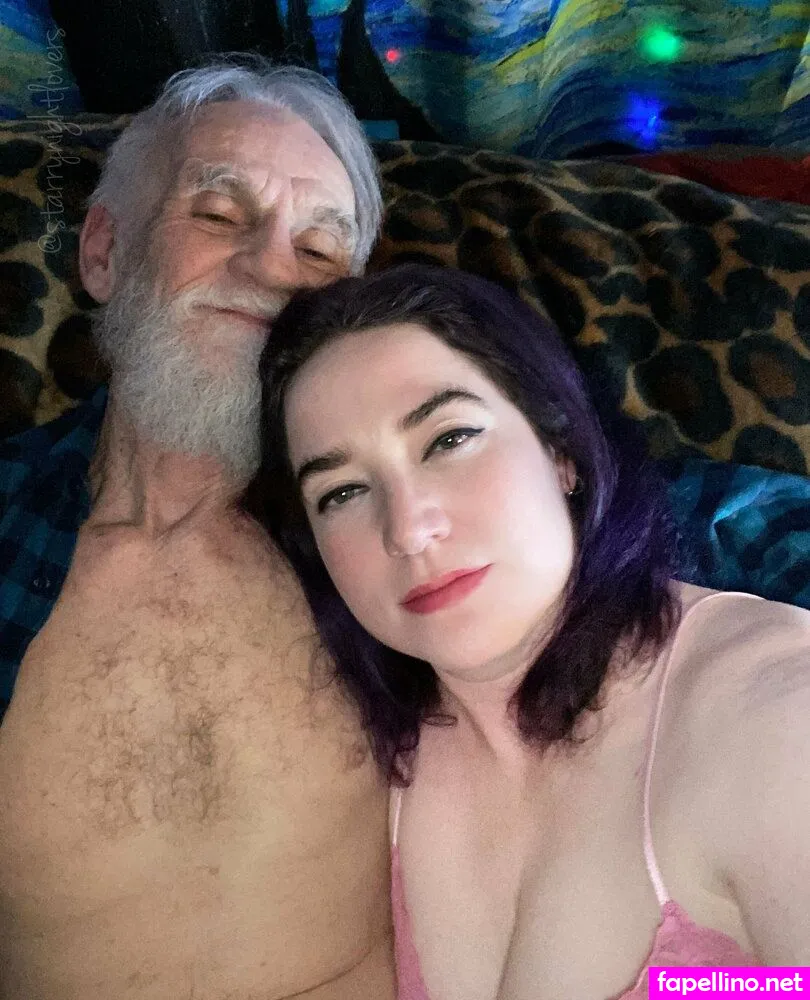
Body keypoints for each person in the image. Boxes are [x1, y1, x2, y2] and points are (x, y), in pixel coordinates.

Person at [248, 264, 810, 999]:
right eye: (343, 491)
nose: (408, 529)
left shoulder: (775, 716)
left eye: (449, 438)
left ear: (560, 450)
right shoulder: (348, 770)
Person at [0, 61, 397, 999]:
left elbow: (655, 516)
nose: (272, 271)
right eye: (218, 215)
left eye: (319, 251)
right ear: (105, 252)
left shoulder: (406, 522)